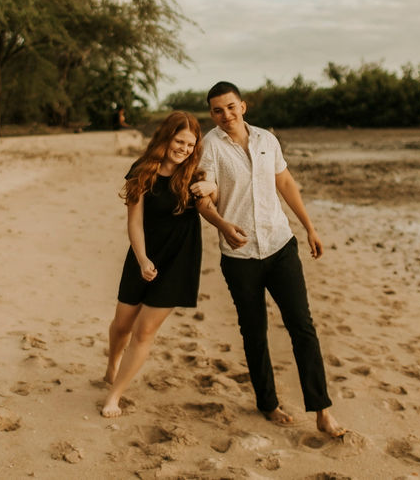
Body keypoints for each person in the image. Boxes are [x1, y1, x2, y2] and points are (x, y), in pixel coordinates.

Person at [195, 81, 345, 437]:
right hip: (239, 254)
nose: (225, 115)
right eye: (217, 110)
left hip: (280, 245)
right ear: (211, 114)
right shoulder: (210, 148)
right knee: (254, 331)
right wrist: (222, 224)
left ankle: (322, 410)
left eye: (231, 107)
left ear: (243, 106)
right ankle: (268, 403)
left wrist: (310, 227)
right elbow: (204, 197)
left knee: (302, 326)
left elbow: (286, 183)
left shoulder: (267, 140)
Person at [101, 111, 215, 417]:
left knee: (144, 332)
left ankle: (115, 395)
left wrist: (212, 187)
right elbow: (134, 222)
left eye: (190, 145)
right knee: (122, 324)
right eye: (179, 141)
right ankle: (112, 362)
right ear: (165, 137)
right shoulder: (142, 171)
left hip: (179, 261)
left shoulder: (195, 176)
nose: (184, 149)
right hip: (143, 254)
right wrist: (142, 259)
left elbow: (212, 202)